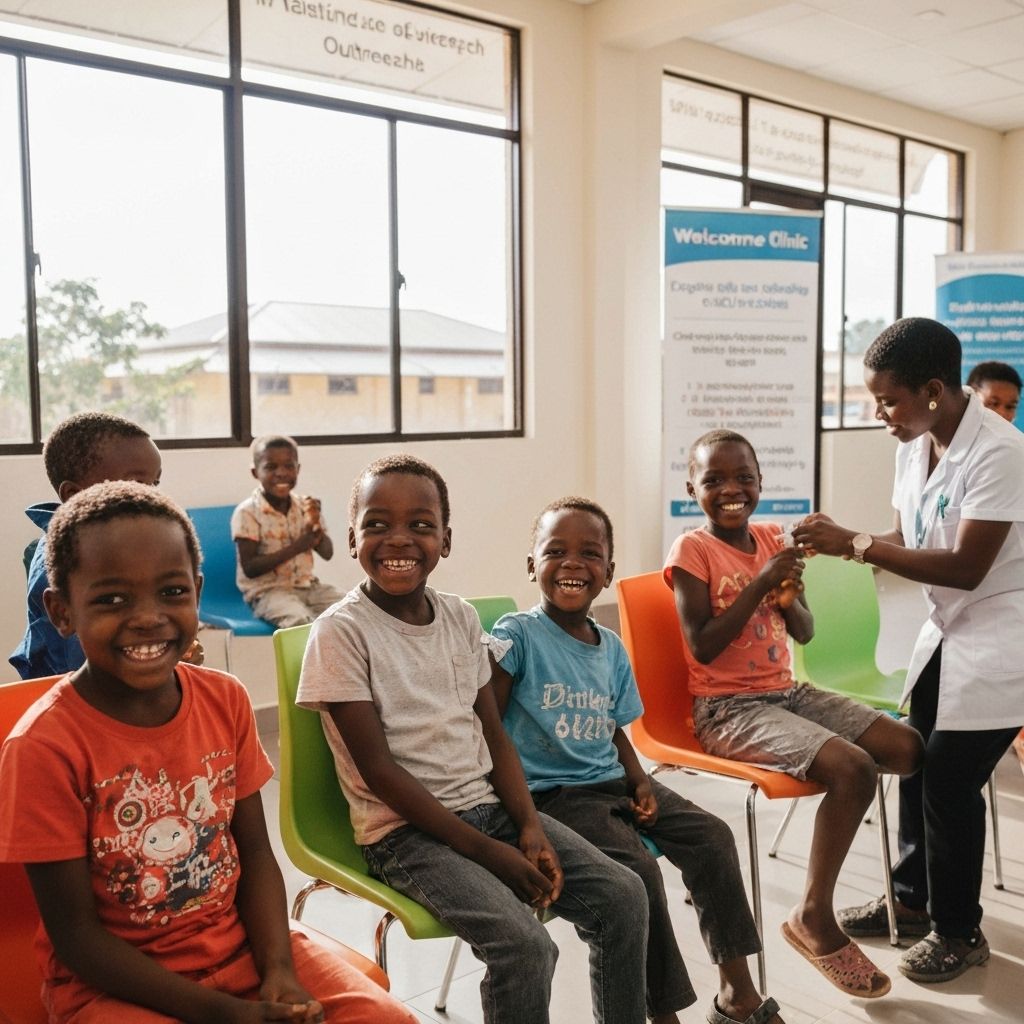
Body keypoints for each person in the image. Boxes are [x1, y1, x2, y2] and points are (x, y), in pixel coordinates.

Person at [0, 481, 415, 1024]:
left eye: (171, 592)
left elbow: (257, 858)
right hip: (113, 988)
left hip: (241, 946)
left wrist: (280, 972)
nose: (148, 616)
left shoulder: (225, 700)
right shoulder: (42, 747)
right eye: (111, 599)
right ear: (61, 611)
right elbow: (77, 939)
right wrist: (224, 1013)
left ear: (196, 591)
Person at [296, 454, 649, 1024]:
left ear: (447, 539)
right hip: (406, 835)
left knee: (625, 896)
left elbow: (494, 735)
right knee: (526, 947)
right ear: (353, 536)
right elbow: (379, 774)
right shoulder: (340, 632)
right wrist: (492, 853)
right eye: (378, 524)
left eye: (421, 524)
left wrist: (529, 826)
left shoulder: (460, 618)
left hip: (491, 810)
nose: (399, 539)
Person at [491, 495, 783, 1024]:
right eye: (555, 550)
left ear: (608, 571)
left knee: (713, 836)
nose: (573, 562)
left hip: (611, 780)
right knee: (640, 872)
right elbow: (487, 728)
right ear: (532, 564)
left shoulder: (609, 646)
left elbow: (615, 727)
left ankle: (737, 996)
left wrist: (639, 779)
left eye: (590, 553)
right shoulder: (518, 635)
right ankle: (662, 1014)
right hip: (552, 796)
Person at [794, 318, 1024, 983]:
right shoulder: (913, 444)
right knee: (917, 761)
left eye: (888, 400)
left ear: (932, 389)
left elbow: (966, 567)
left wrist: (859, 545)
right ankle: (912, 900)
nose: (879, 414)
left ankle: (959, 930)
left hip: (1001, 638)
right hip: (945, 636)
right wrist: (847, 547)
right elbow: (906, 533)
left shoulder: (1001, 452)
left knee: (950, 781)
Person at [668, 429, 923, 1000]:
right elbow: (704, 646)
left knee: (907, 748)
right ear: (693, 489)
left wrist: (786, 597)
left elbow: (804, 630)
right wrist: (761, 582)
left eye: (743, 478)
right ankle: (814, 915)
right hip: (727, 708)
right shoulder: (692, 551)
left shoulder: (768, 539)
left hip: (788, 691)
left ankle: (912, 895)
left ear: (760, 482)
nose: (731, 489)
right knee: (853, 768)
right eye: (714, 480)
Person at [10, 411, 164, 679]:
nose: (149, 495)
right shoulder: (65, 565)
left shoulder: (117, 547)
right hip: (74, 704)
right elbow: (88, 673)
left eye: (155, 483)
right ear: (74, 494)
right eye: (136, 483)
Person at [965, 361, 1024, 776]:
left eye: (1011, 406)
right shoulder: (965, 455)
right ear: (970, 397)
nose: (1003, 413)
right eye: (994, 403)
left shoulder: (1011, 453)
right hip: (977, 617)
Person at [232, 434, 343, 627]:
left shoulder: (305, 506)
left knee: (351, 611)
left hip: (309, 587)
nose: (281, 473)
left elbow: (327, 553)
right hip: (268, 592)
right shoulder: (248, 512)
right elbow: (250, 568)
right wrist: (298, 546)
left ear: (298, 469)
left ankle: (340, 657)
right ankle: (308, 658)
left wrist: (316, 526)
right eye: (270, 467)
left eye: (288, 466)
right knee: (300, 621)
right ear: (255, 472)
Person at [965, 360, 1021, 424]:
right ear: (969, 400)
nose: (1002, 415)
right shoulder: (954, 433)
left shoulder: (1016, 434)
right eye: (993, 404)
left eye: (1010, 407)